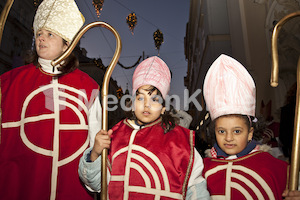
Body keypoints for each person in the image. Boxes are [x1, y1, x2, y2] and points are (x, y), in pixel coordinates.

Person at [0, 0, 101, 199]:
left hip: (70, 189)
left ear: (66, 44)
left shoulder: (88, 86)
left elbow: (95, 142)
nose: (41, 39)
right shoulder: (9, 82)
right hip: (19, 188)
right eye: (39, 33)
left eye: (50, 34)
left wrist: (96, 166)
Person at [78, 56, 210, 199]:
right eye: (140, 98)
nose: (146, 104)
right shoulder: (115, 135)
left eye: (154, 99)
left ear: (163, 108)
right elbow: (97, 184)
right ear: (133, 104)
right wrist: (95, 154)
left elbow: (196, 189)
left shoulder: (180, 141)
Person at [202, 54, 289, 199]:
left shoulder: (275, 167)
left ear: (250, 133)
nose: (229, 138)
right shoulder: (202, 169)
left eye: (237, 131)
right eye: (221, 131)